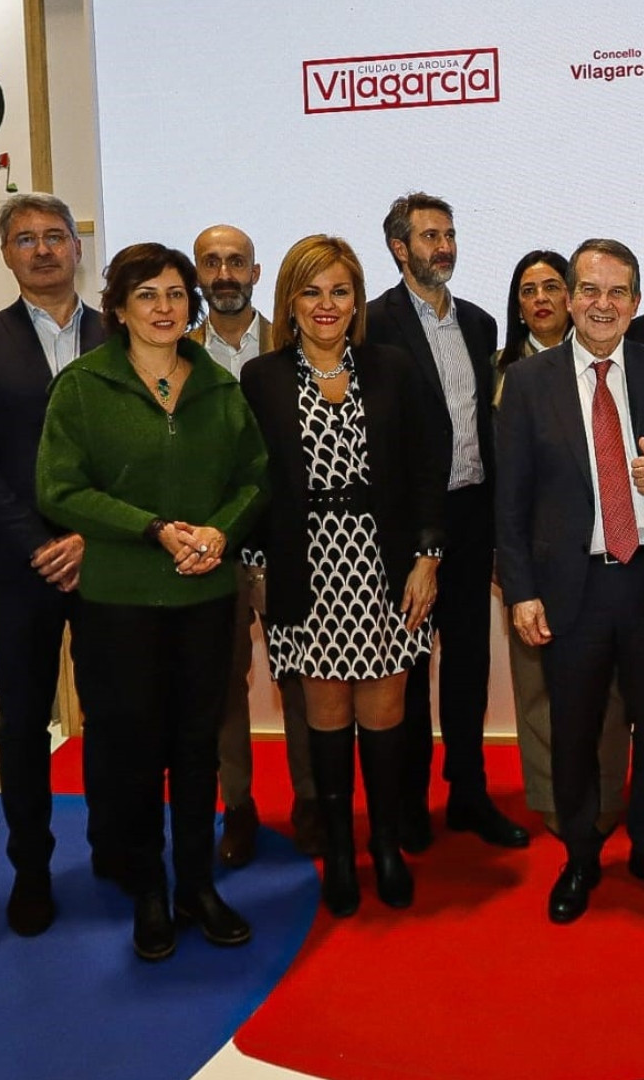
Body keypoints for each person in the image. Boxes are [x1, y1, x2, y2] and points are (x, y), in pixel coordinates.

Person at [36, 242, 268, 961]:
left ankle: (197, 885)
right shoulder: (82, 387)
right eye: (147, 295)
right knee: (133, 752)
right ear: (119, 309)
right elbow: (60, 489)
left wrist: (220, 535)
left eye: (175, 294)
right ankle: (147, 891)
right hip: (120, 601)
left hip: (205, 597)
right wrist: (151, 529)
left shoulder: (220, 388)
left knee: (197, 747)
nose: (165, 307)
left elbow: (256, 478)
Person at [495, 238, 644, 924]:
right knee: (575, 729)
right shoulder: (529, 383)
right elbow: (511, 502)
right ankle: (581, 856)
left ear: (636, 302)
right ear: (567, 298)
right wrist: (521, 590)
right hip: (571, 590)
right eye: (589, 289)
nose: (602, 304)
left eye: (617, 292)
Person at [241, 234, 447, 917]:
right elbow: (256, 484)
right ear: (290, 301)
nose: (326, 305)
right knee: (325, 719)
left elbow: (426, 468)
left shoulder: (390, 367)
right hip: (308, 568)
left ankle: (384, 845)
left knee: (385, 717)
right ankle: (337, 852)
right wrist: (259, 571)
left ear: (356, 299)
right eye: (311, 291)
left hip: (385, 566)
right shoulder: (262, 378)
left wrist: (427, 556)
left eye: (338, 291)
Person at [0, 194, 109, 936]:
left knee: (114, 716)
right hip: (19, 564)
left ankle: (117, 849)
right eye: (25, 240)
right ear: (6, 255)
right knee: (23, 727)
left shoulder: (122, 333)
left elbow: (141, 453)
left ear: (78, 248)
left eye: (55, 237)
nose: (42, 250)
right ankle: (32, 870)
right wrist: (39, 541)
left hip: (108, 558)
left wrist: (88, 539)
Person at [365, 192, 528, 851]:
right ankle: (406, 804)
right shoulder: (371, 325)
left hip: (471, 512)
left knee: (466, 664)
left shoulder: (484, 324)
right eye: (430, 235)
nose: (445, 246)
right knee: (403, 665)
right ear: (400, 248)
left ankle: (468, 795)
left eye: (450, 234)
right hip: (404, 529)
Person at [184, 225, 319, 867]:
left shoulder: (294, 344)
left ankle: (314, 802)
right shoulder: (175, 354)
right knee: (222, 688)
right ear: (197, 275)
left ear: (258, 272)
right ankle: (237, 808)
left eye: (236, 261)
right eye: (211, 262)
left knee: (305, 682)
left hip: (295, 546)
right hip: (214, 551)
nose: (225, 272)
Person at [495, 249, 634, 839]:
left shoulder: (636, 365)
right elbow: (508, 488)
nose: (543, 299)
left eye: (554, 285)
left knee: (610, 698)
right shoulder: (513, 375)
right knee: (540, 693)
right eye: (530, 290)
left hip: (614, 562)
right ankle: (555, 800)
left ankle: (604, 797)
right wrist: (516, 574)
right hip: (541, 562)